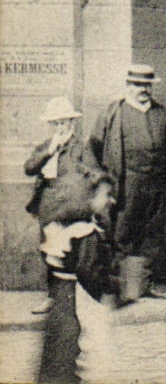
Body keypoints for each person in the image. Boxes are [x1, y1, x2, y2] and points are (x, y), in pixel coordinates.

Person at [88, 64, 166, 304]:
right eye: (138, 85)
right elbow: (93, 150)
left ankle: (144, 284)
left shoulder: (161, 114)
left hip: (157, 186)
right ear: (128, 86)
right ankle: (121, 288)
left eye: (147, 85)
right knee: (123, 235)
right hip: (126, 186)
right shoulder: (113, 114)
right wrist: (102, 185)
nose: (143, 90)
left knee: (151, 236)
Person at [37, 170, 118, 384]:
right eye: (107, 195)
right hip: (79, 302)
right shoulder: (86, 233)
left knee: (58, 356)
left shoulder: (63, 228)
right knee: (84, 352)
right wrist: (111, 288)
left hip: (61, 302)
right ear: (89, 198)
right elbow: (89, 272)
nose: (112, 200)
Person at [25, 98, 95, 315]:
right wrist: (49, 151)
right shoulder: (45, 146)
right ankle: (53, 297)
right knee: (49, 250)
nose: (59, 127)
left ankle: (74, 299)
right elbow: (29, 168)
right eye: (55, 123)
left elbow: (92, 174)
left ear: (71, 123)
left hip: (72, 205)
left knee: (72, 251)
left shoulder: (81, 147)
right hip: (48, 203)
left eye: (63, 123)